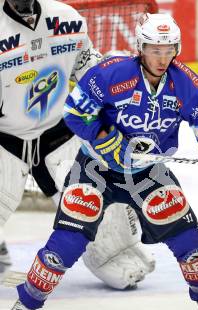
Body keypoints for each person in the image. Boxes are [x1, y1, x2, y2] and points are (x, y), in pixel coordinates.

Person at [5, 12, 198, 310]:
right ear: (140, 48)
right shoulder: (111, 73)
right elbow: (75, 113)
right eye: (155, 50)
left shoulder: (185, 82)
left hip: (148, 173)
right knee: (67, 242)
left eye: (169, 49)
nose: (162, 58)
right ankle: (28, 301)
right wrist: (107, 140)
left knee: (188, 239)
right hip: (95, 169)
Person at [0, 0, 156, 290]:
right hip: (5, 143)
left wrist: (119, 121)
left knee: (106, 228)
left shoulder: (65, 18)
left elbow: (92, 77)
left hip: (58, 137)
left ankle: (115, 249)